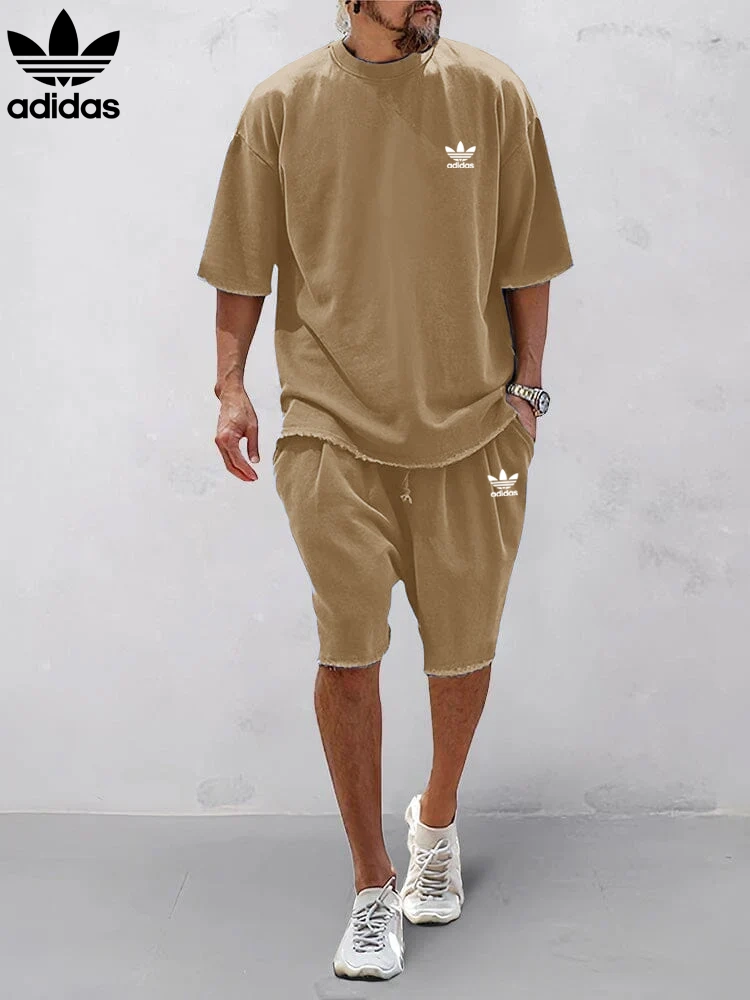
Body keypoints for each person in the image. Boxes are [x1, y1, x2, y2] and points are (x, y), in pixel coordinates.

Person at [197, 0, 573, 981]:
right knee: (349, 645)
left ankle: (434, 820)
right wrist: (232, 387)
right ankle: (372, 886)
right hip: (330, 423)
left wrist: (529, 392)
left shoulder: (493, 93)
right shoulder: (282, 105)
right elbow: (241, 264)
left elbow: (529, 256)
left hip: (475, 427)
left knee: (464, 649)